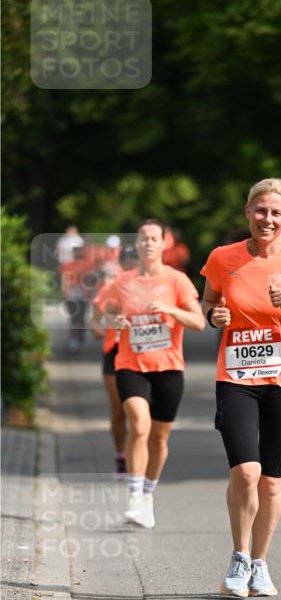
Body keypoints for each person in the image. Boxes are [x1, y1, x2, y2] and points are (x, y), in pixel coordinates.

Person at [200, 178, 281, 598]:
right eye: (261, 211)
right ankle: (238, 559)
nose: (267, 219)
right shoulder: (223, 258)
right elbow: (209, 303)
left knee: (271, 482)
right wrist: (214, 317)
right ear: (248, 213)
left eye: (276, 212)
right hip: (236, 378)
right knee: (246, 470)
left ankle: (260, 563)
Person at [105, 219, 205, 527]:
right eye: (143, 238)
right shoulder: (123, 281)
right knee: (139, 424)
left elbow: (198, 321)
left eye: (154, 238)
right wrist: (116, 320)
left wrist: (170, 310)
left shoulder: (177, 280)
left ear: (164, 244)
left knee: (159, 439)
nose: (148, 243)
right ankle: (135, 496)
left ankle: (148, 493)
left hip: (168, 367)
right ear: (136, 244)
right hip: (130, 364)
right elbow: (106, 311)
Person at [91, 245, 139, 479]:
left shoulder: (151, 284)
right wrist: (98, 328)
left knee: (140, 412)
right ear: (122, 262)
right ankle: (121, 455)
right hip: (115, 352)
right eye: (128, 259)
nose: (132, 263)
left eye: (136, 259)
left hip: (142, 354)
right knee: (119, 409)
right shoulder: (113, 285)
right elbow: (96, 317)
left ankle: (137, 455)